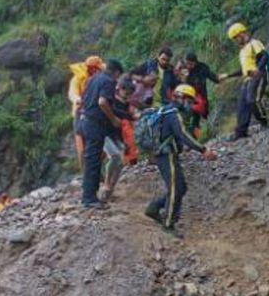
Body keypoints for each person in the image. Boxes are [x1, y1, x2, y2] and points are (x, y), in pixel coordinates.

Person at [143, 84, 218, 236]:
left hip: (165, 154)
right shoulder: (173, 113)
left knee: (181, 187)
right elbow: (182, 135)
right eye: (189, 101)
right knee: (175, 188)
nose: (190, 105)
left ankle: (154, 208)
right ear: (181, 98)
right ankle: (168, 224)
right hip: (166, 155)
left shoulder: (165, 110)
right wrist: (203, 150)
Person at [79, 59, 125, 210]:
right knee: (93, 161)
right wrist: (113, 120)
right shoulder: (108, 81)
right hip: (95, 124)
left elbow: (85, 100)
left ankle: (89, 195)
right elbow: (103, 102)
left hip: (86, 120)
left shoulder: (94, 78)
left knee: (92, 159)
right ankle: (89, 198)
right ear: (116, 73)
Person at [224, 23, 269, 140]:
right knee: (242, 104)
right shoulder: (242, 51)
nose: (236, 41)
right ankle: (241, 131)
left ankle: (265, 121)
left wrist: (258, 70)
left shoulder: (255, 43)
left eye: (236, 38)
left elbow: (264, 56)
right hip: (248, 78)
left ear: (242, 34)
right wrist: (228, 75)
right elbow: (243, 70)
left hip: (258, 75)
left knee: (253, 100)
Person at [69, 56, 105, 171]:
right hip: (80, 113)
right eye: (93, 69)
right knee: (82, 146)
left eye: (98, 69)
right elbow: (72, 93)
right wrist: (78, 99)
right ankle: (85, 173)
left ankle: (97, 170)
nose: (96, 71)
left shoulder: (102, 78)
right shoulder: (77, 78)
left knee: (100, 144)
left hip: (96, 114)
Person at [178, 53, 227, 135]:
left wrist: (220, 78)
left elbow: (213, 77)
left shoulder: (202, 67)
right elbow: (178, 84)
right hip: (186, 97)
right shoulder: (182, 69)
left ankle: (196, 137)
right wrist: (184, 78)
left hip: (200, 96)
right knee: (185, 118)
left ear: (195, 62)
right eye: (187, 63)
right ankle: (185, 138)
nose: (188, 66)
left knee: (197, 119)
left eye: (191, 64)